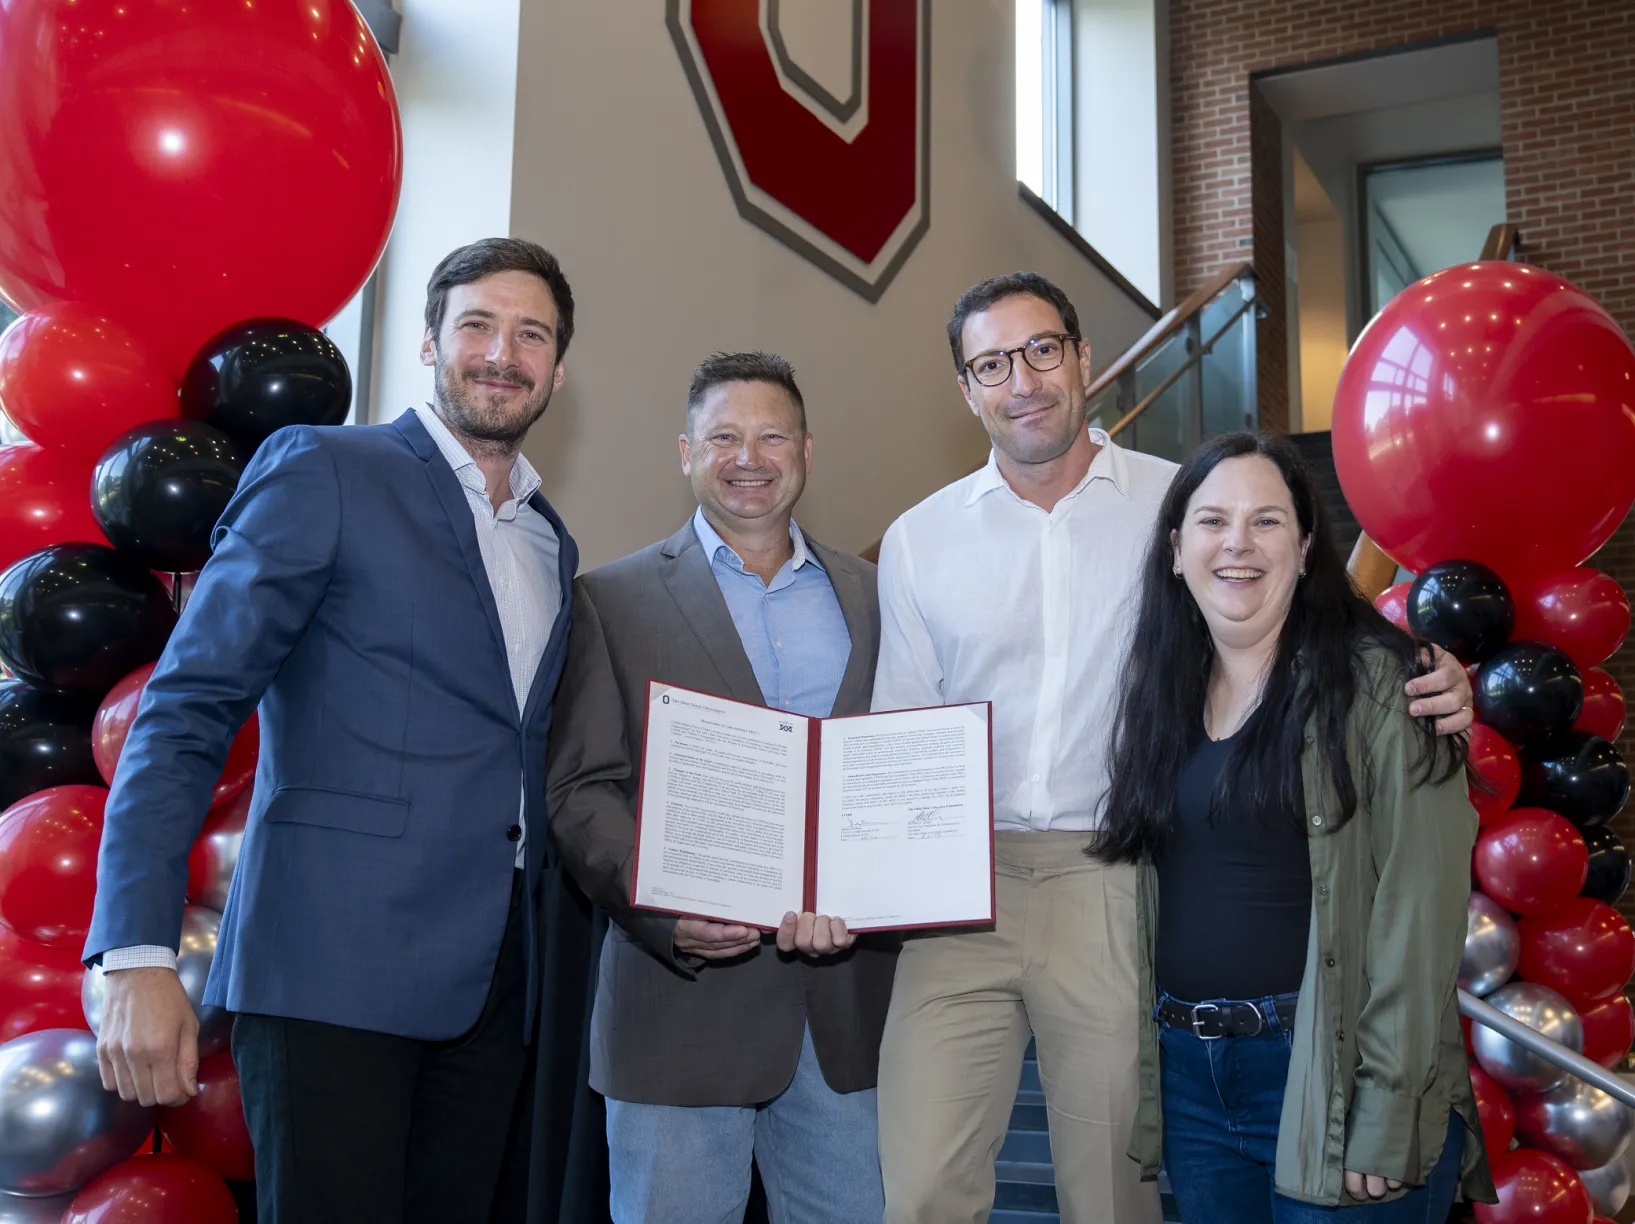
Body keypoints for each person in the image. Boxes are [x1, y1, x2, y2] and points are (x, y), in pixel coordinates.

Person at [870, 272, 1476, 1224]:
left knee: (1112, 1193)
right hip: (961, 886)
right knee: (917, 1189)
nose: (1020, 380)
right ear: (967, 388)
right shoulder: (916, 540)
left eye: (1039, 351)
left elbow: (1304, 616)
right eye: (991, 363)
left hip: (1109, 871)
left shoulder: (1179, 505)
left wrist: (1429, 671)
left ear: (1080, 362)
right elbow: (897, 741)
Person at [84, 238, 600, 1223]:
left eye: (531, 334)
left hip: (495, 992)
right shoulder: (324, 468)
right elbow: (186, 710)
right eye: (478, 326)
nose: (504, 353)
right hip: (332, 974)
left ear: (559, 369)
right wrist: (138, 954)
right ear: (427, 342)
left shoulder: (550, 540)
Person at [1095, 431, 1494, 1220]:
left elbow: (1419, 915)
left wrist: (1383, 1108)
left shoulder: (1381, 683)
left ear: (1307, 548)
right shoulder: (1159, 694)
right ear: (1175, 550)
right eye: (1211, 521)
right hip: (1192, 1078)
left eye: (1266, 521)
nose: (1236, 544)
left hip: (1330, 1073)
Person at [546, 351, 896, 1224]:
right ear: (685, 453)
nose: (750, 456)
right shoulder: (610, 600)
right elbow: (582, 789)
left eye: (771, 435)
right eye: (723, 437)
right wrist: (663, 907)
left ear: (807, 451)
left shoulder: (881, 595)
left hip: (847, 1018)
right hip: (679, 1010)